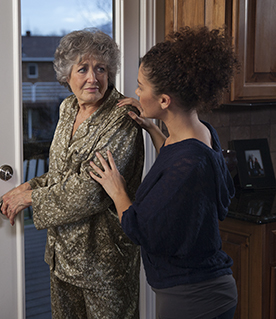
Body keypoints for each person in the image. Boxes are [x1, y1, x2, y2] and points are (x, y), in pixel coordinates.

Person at [89, 26, 239, 319]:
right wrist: (153, 128)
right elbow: (177, 162)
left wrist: (116, 187)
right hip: (208, 289)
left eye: (141, 87)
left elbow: (139, 228)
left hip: (192, 298)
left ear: (164, 100)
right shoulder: (200, 132)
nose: (136, 93)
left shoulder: (189, 165)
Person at [1, 29, 144, 319]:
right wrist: (27, 185)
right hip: (62, 257)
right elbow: (62, 171)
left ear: (110, 72)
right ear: (67, 75)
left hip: (104, 265)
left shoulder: (122, 120)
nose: (93, 78)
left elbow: (91, 191)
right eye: (83, 69)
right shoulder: (68, 108)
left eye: (101, 68)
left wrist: (30, 198)